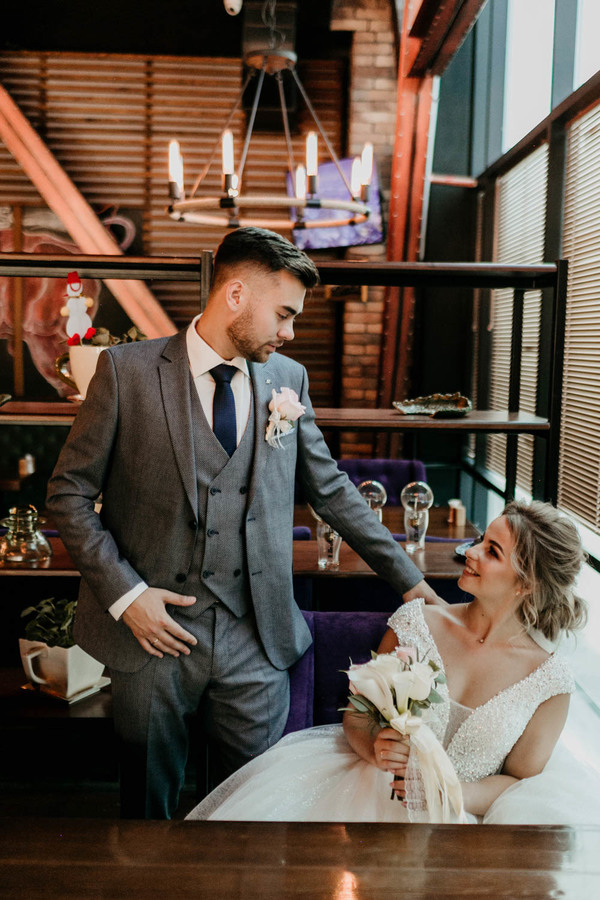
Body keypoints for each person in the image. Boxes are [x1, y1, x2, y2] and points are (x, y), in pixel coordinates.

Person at [46, 226, 439, 820]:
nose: (290, 332)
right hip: (152, 637)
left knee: (253, 811)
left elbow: (332, 490)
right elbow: (68, 494)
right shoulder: (125, 372)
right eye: (284, 314)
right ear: (235, 295)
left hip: (256, 639)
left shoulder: (289, 380)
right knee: (146, 814)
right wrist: (128, 598)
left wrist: (410, 581)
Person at [187, 500, 600, 825]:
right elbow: (358, 715)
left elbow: (520, 782)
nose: (470, 552)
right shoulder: (418, 623)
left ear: (527, 583)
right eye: (480, 539)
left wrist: (450, 792)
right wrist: (375, 746)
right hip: (369, 791)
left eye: (491, 551)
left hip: (469, 818)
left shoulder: (549, 680)